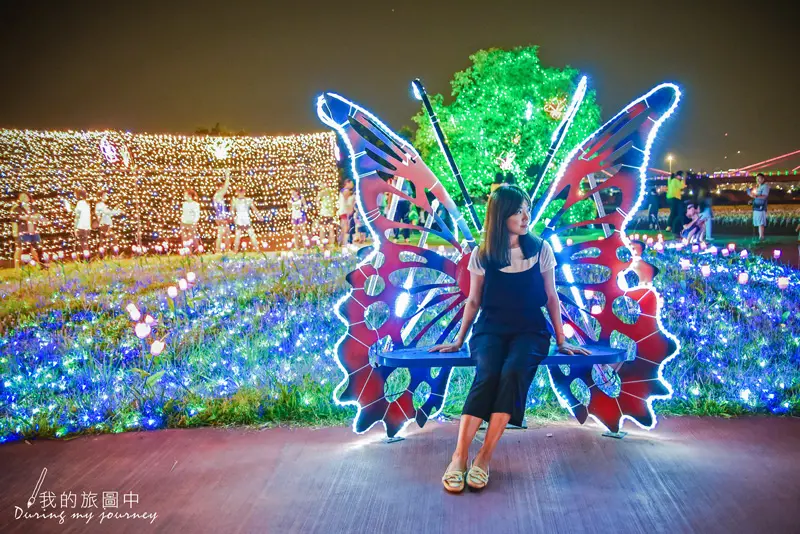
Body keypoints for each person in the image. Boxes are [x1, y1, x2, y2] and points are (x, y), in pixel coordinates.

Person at [431, 185, 589, 493]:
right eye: (517, 211)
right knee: (488, 373)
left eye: (527, 209)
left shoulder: (541, 249)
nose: (525, 216)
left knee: (514, 371)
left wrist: (561, 340)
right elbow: (474, 301)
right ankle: (459, 456)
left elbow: (552, 297)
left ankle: (484, 457)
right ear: (501, 215)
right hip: (490, 328)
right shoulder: (483, 254)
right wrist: (459, 339)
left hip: (530, 330)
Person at [12, 193, 47, 268]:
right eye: (21, 197)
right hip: (23, 232)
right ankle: (16, 267)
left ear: (29, 198)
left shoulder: (33, 207)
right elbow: (16, 219)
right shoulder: (17, 209)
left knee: (37, 248)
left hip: (33, 231)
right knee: (19, 249)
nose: (23, 198)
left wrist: (29, 217)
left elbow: (38, 216)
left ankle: (40, 264)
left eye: (25, 196)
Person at [231, 188, 263, 252]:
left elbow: (254, 209)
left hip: (245, 219)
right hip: (240, 219)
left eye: (242, 191)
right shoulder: (235, 200)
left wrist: (259, 216)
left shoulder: (248, 200)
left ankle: (257, 250)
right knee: (238, 236)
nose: (241, 193)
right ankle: (235, 250)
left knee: (250, 235)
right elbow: (232, 210)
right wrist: (233, 218)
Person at [64, 189, 92, 259]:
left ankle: (86, 259)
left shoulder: (80, 203)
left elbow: (77, 214)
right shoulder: (86, 203)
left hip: (81, 227)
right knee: (84, 243)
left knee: (82, 244)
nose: (75, 196)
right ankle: (84, 258)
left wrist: (69, 209)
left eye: (75, 194)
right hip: (87, 226)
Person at [95, 191, 123, 258]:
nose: (106, 197)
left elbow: (106, 214)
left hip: (105, 224)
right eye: (104, 195)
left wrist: (114, 210)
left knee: (104, 241)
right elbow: (107, 213)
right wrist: (117, 211)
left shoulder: (101, 205)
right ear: (101, 196)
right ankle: (114, 255)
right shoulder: (100, 205)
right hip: (105, 225)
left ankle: (102, 256)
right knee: (113, 239)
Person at [213, 170, 233, 253]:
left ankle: (226, 249)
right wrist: (227, 176)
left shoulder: (217, 196)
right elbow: (226, 186)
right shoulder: (218, 195)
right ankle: (218, 250)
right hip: (221, 216)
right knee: (221, 234)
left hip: (221, 216)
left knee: (227, 233)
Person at [748, 173, 770, 241]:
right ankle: (760, 237)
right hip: (756, 207)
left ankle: (761, 237)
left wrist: (755, 196)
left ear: (763, 179)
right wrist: (752, 201)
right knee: (758, 223)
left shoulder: (765, 186)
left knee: (761, 223)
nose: (758, 180)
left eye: (759, 178)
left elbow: (764, 196)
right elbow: (757, 197)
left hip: (761, 207)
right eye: (757, 179)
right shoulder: (758, 187)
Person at [181, 188, 202, 253]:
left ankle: (197, 251)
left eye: (185, 195)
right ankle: (187, 252)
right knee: (185, 239)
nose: (184, 196)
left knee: (193, 239)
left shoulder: (195, 204)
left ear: (189, 196)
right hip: (184, 223)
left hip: (191, 224)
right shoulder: (184, 204)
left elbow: (197, 214)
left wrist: (194, 222)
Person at [337, 179, 355, 246]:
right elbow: (347, 203)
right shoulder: (346, 191)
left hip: (342, 211)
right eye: (351, 183)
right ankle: (344, 243)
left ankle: (341, 241)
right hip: (345, 212)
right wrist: (349, 210)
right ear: (347, 183)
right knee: (346, 228)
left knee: (343, 227)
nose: (352, 185)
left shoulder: (343, 191)